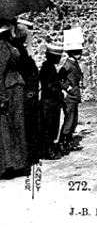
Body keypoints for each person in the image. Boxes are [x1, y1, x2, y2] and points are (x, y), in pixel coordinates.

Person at [0, 20, 29, 179]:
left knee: (18, 126)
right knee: (11, 127)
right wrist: (2, 97)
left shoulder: (10, 45)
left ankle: (18, 163)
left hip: (16, 88)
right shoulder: (2, 47)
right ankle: (12, 164)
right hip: (9, 90)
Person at [11, 20, 41, 167]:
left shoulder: (19, 50)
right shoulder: (18, 51)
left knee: (28, 126)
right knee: (26, 126)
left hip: (27, 92)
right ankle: (28, 155)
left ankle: (30, 154)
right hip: (25, 93)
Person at [39, 42, 65, 160]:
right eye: (58, 57)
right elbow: (50, 86)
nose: (59, 59)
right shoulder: (48, 68)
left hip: (51, 102)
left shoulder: (48, 66)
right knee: (49, 127)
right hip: (49, 103)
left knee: (51, 126)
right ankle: (47, 151)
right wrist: (60, 94)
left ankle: (48, 148)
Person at [58, 47, 84, 154]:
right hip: (69, 97)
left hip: (74, 96)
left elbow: (77, 75)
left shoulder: (74, 63)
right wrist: (67, 88)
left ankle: (68, 142)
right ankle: (62, 143)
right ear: (71, 53)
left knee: (73, 120)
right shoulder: (68, 64)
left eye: (80, 51)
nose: (79, 54)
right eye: (77, 52)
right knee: (69, 120)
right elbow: (59, 79)